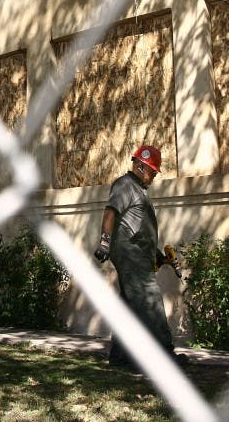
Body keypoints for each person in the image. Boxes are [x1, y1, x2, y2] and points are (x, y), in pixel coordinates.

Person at [92, 144, 179, 368]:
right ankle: (166, 354)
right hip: (129, 253)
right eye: (152, 171)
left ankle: (120, 358)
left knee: (130, 305)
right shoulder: (125, 185)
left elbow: (139, 229)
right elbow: (110, 212)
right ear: (141, 166)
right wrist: (104, 242)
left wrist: (158, 256)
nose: (153, 176)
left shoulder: (138, 190)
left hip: (139, 253)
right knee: (151, 299)